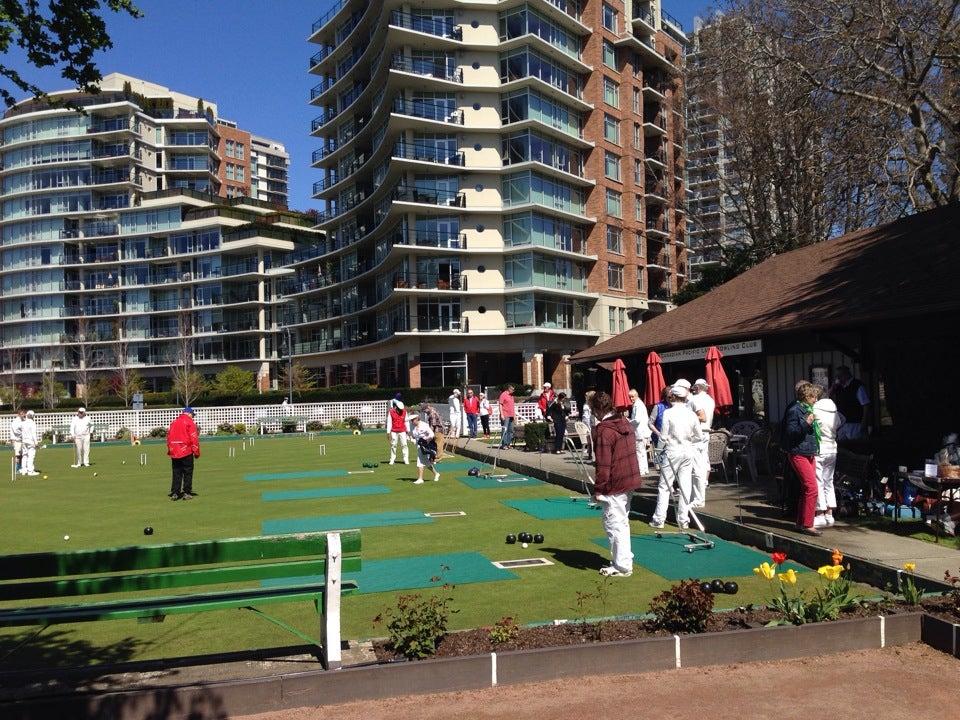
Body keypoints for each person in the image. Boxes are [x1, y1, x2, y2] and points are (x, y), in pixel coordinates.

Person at [590, 391, 643, 577]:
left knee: (614, 522)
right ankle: (624, 559)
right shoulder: (624, 422)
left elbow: (603, 464)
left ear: (596, 409)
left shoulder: (605, 430)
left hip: (616, 482)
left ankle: (622, 565)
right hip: (629, 479)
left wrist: (598, 490)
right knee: (621, 521)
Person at [649, 385, 704, 530]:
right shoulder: (691, 414)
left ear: (673, 397)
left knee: (664, 486)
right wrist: (689, 439)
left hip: (672, 451)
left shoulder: (668, 413)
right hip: (687, 451)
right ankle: (683, 520)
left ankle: (659, 519)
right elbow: (699, 436)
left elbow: (663, 437)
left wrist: (658, 453)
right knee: (685, 487)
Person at [782, 382, 821, 535]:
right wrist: (807, 423)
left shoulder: (807, 408)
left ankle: (800, 523)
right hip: (798, 452)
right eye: (814, 397)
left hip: (808, 451)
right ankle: (807, 524)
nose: (816, 400)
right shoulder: (794, 410)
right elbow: (791, 432)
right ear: (807, 397)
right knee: (812, 488)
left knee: (807, 488)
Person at [812, 385, 843, 528]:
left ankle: (819, 514)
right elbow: (840, 422)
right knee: (828, 480)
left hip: (819, 448)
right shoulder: (834, 409)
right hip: (832, 447)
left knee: (818, 480)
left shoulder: (814, 409)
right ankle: (829, 514)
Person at [688, 379, 716, 508]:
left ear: (698, 387)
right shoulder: (710, 400)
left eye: (694, 387)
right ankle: (704, 483)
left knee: (697, 464)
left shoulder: (694, 399)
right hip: (707, 431)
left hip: (697, 432)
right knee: (704, 459)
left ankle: (698, 494)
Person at [167, 407, 200, 500]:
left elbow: (169, 437)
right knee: (187, 472)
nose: (193, 417)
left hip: (175, 450)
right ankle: (187, 492)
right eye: (192, 415)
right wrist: (196, 452)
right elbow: (194, 438)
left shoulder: (174, 422)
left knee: (176, 472)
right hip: (186, 450)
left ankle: (175, 493)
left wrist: (170, 449)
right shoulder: (190, 422)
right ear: (189, 414)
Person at [830, 366, 870, 440]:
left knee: (855, 445)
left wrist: (864, 422)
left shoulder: (857, 386)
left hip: (855, 423)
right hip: (842, 424)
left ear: (846, 375)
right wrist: (833, 388)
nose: (838, 378)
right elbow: (828, 397)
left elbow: (865, 404)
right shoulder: (839, 387)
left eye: (839, 376)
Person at [408, 411, 439, 484]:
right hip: (419, 446)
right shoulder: (413, 427)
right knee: (426, 462)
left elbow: (431, 434)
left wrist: (426, 441)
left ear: (417, 418)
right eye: (411, 420)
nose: (412, 422)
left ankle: (420, 479)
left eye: (413, 420)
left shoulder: (424, 425)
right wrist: (412, 439)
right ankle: (436, 474)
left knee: (420, 461)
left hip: (426, 446)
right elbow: (414, 436)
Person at [628, 389, 651, 474]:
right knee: (642, 451)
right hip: (643, 431)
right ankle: (645, 469)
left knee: (639, 451)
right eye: (630, 397)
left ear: (636, 395)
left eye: (632, 397)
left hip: (640, 432)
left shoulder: (637, 405)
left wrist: (629, 421)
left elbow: (637, 420)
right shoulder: (640, 404)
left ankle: (641, 470)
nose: (631, 399)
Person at [387, 394, 409, 465]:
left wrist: (408, 431)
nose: (401, 411)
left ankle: (406, 459)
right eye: (399, 409)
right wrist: (388, 432)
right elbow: (389, 422)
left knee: (404, 445)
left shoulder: (404, 412)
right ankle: (392, 459)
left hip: (402, 431)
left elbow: (406, 421)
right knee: (393, 445)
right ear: (396, 407)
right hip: (394, 431)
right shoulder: (391, 412)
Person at [648, 386, 670, 452]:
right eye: (669, 397)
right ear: (665, 397)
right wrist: (659, 434)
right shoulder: (658, 407)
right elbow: (650, 423)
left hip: (673, 440)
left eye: (673, 396)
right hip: (659, 439)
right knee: (661, 461)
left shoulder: (676, 406)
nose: (671, 399)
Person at [19, 410, 39, 476]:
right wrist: (36, 443)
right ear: (32, 416)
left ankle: (24, 470)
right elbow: (34, 434)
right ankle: (30, 471)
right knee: (31, 456)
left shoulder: (23, 423)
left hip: (24, 441)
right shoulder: (32, 423)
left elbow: (21, 433)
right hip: (30, 442)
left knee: (24, 455)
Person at [498, 384, 516, 449]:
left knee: (510, 430)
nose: (513, 391)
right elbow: (500, 405)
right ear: (509, 389)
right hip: (505, 415)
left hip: (511, 415)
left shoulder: (512, 396)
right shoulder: (503, 395)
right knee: (504, 430)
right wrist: (501, 414)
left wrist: (514, 415)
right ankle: (504, 444)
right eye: (513, 390)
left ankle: (508, 444)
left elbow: (512, 406)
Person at [581, 390, 596, 461]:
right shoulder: (587, 404)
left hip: (590, 423)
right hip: (586, 423)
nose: (585, 397)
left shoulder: (591, 405)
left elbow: (589, 416)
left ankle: (591, 454)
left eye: (586, 396)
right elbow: (585, 416)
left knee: (591, 439)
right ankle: (590, 454)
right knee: (588, 439)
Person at [10, 408, 25, 474]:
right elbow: (16, 431)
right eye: (21, 414)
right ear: (18, 414)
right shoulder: (15, 421)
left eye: (23, 414)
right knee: (18, 455)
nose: (23, 415)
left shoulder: (23, 420)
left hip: (22, 440)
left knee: (22, 454)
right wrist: (23, 434)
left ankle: (21, 467)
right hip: (16, 440)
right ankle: (17, 469)